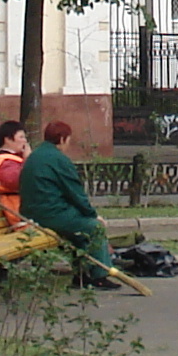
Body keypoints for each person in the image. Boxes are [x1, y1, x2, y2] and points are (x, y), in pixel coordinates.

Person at [18, 119, 115, 281]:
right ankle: (99, 275)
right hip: (50, 214)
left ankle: (83, 273)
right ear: (62, 139)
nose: (68, 144)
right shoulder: (58, 159)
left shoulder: (36, 155)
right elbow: (75, 193)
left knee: (79, 232)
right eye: (68, 140)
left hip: (32, 211)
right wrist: (92, 215)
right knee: (94, 228)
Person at [0, 120, 29, 227]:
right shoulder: (3, 161)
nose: (25, 141)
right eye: (21, 137)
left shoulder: (17, 158)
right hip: (18, 211)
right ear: (8, 139)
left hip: (26, 207)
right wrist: (28, 161)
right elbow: (16, 181)